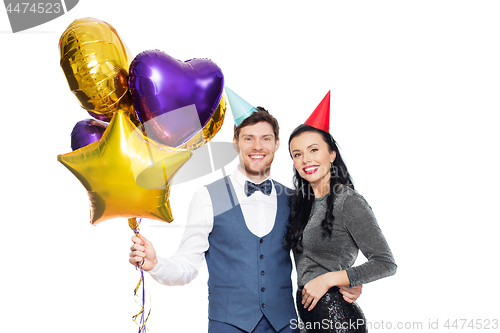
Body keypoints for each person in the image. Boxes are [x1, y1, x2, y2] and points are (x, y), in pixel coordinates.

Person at [129, 89, 363, 333]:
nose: (257, 146)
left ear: (276, 144)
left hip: (286, 326)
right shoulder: (208, 197)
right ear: (236, 143)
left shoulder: (294, 200)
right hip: (228, 326)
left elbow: (317, 258)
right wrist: (156, 263)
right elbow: (187, 266)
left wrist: (347, 281)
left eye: (265, 138)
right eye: (248, 138)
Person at [284, 92, 397, 333]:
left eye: (314, 150)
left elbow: (386, 263)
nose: (306, 159)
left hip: (339, 319)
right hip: (309, 320)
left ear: (332, 154)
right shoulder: (299, 203)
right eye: (297, 154)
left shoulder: (349, 202)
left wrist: (332, 279)